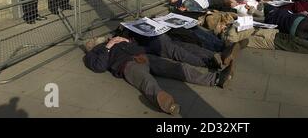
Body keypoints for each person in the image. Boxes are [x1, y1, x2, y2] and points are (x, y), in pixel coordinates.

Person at [84, 35, 235, 115]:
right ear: (90, 46)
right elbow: (99, 67)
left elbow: (139, 45)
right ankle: (167, 104)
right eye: (93, 39)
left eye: (97, 38)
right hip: (127, 65)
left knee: (178, 68)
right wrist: (108, 47)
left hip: (144, 56)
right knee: (146, 81)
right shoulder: (94, 53)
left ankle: (216, 79)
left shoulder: (116, 40)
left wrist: (126, 41)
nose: (97, 38)